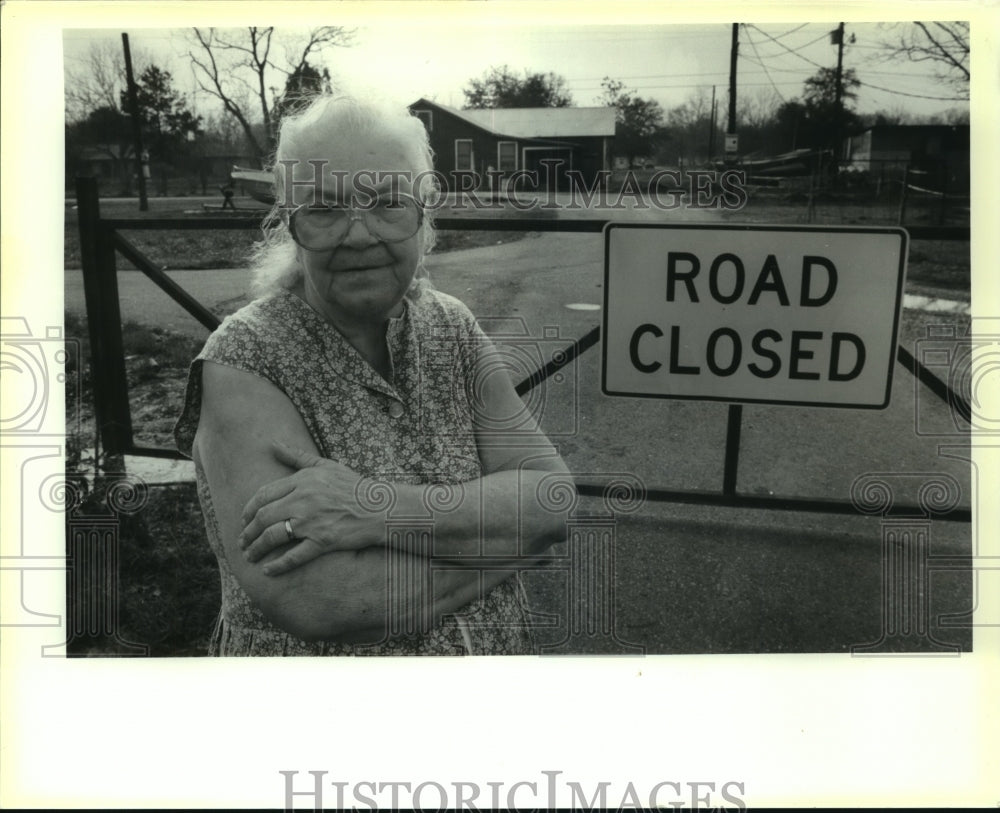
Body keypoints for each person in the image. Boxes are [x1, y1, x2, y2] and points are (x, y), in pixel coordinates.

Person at [175, 94, 572, 655]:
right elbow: (322, 598)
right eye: (325, 210)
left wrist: (372, 508)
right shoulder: (245, 358)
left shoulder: (450, 326)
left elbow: (550, 497)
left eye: (387, 202)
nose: (359, 235)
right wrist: (512, 545)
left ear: (423, 214)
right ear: (290, 225)